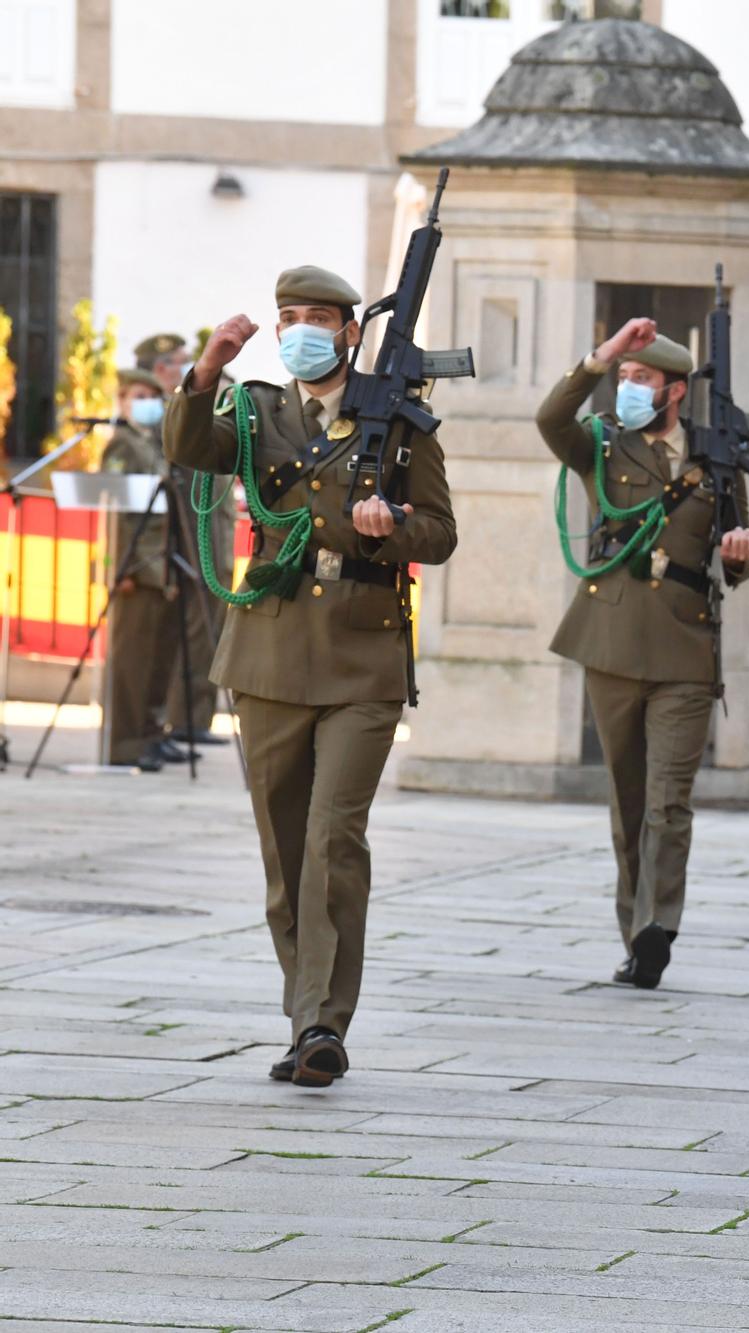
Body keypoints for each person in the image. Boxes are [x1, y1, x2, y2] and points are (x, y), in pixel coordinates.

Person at [164, 265, 457, 1088]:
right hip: (268, 646)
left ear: (351, 330)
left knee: (335, 834)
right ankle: (304, 1017)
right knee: (285, 848)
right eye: (289, 316)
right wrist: (208, 369)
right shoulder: (255, 411)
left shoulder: (400, 423)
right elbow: (193, 451)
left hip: (363, 653)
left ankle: (326, 1021)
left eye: (318, 317)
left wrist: (394, 522)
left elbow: (440, 532)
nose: (302, 330)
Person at [538, 317, 749, 990]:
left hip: (685, 645)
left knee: (670, 800)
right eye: (624, 379)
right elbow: (551, 418)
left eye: (642, 380)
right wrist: (602, 355)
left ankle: (656, 927)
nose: (630, 388)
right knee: (630, 799)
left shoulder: (717, 457)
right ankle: (633, 927)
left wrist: (742, 555)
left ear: (675, 391)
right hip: (610, 639)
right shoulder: (603, 445)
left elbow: (739, 550)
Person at [134, 331, 232, 749]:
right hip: (190, 539)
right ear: (160, 368)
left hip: (210, 538)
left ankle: (193, 718)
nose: (185, 368)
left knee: (204, 630)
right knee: (188, 632)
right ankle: (180, 719)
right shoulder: (165, 415)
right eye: (179, 361)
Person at [98, 368, 178, 771]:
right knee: (130, 663)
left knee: (154, 660)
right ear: (122, 400)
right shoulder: (121, 446)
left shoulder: (152, 445)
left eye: (152, 395)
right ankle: (124, 745)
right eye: (138, 395)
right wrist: (119, 569)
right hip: (136, 569)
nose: (146, 402)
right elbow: (113, 516)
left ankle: (148, 733)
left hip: (159, 567)